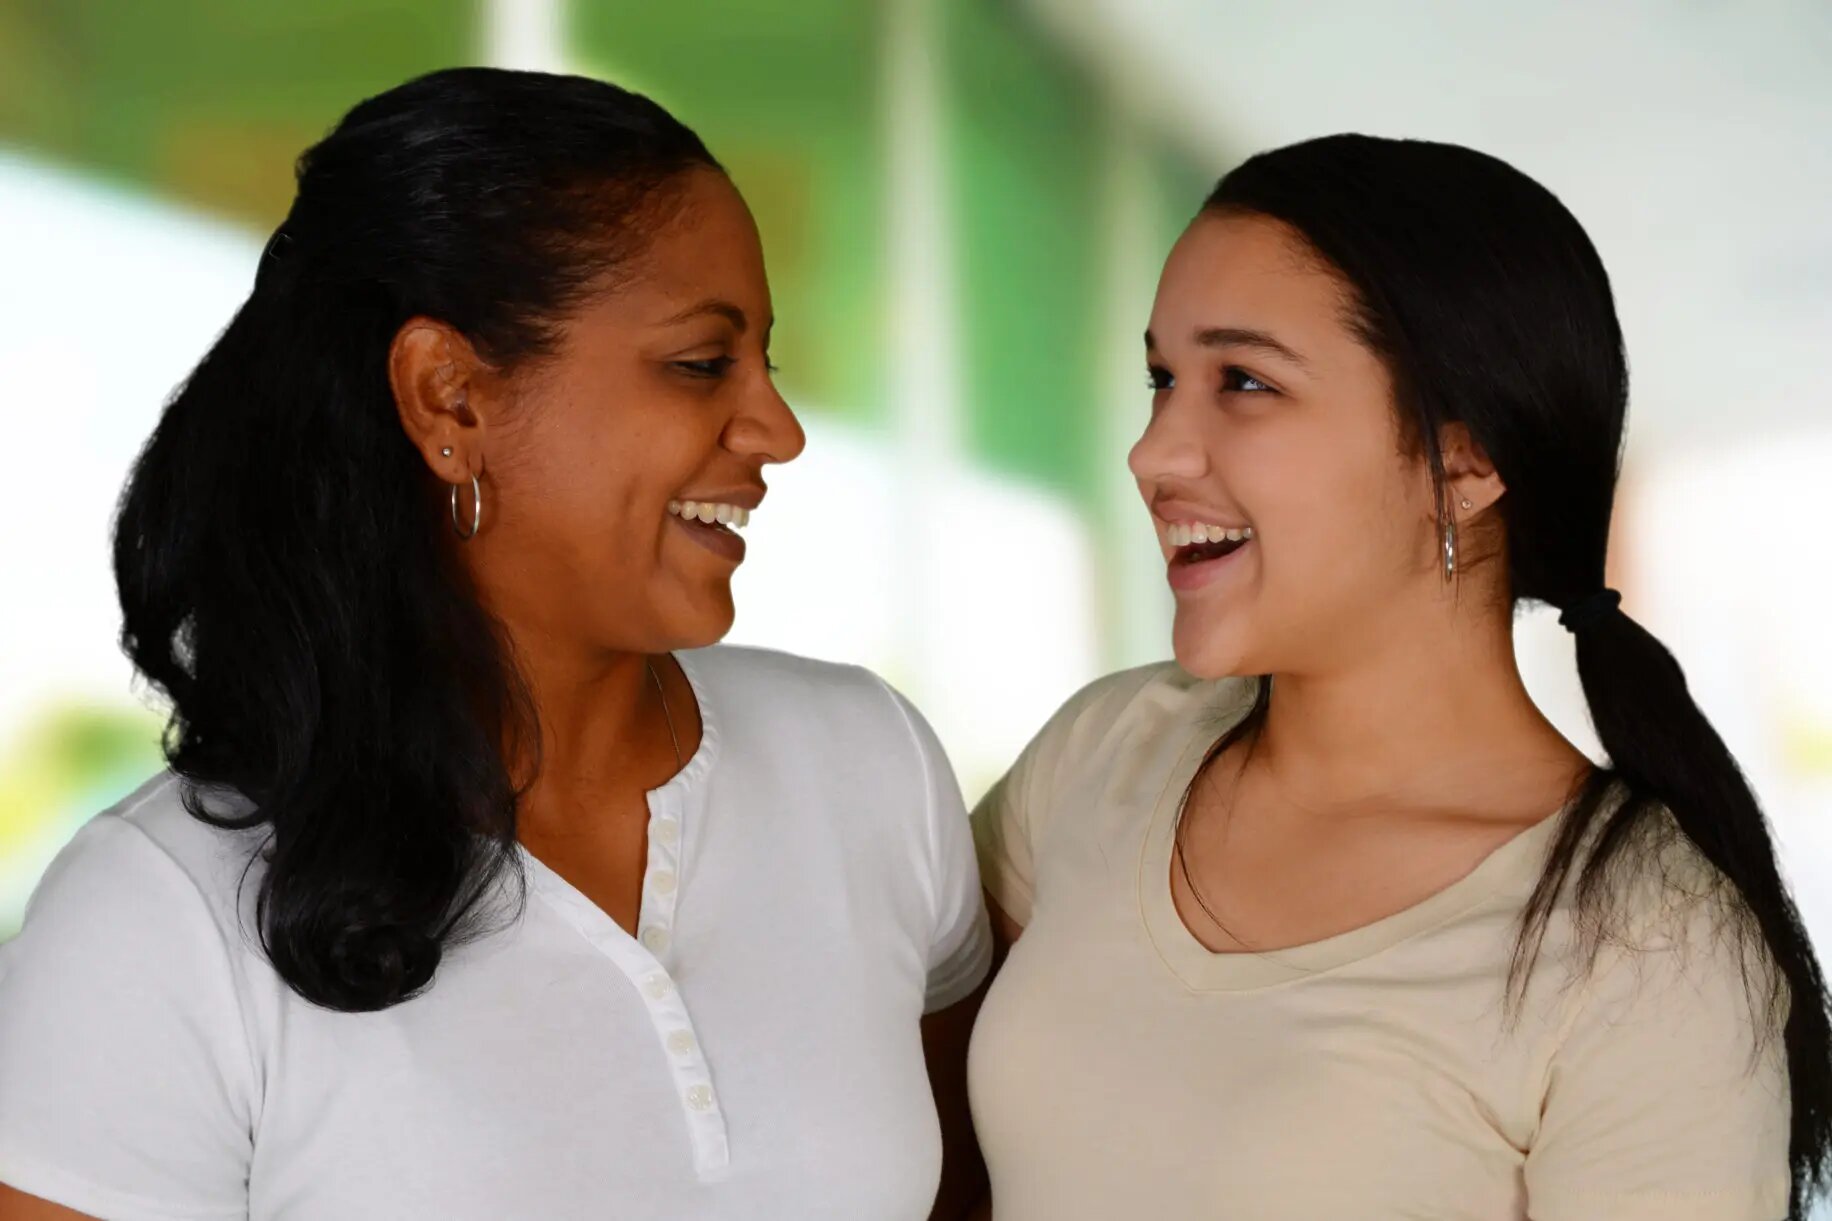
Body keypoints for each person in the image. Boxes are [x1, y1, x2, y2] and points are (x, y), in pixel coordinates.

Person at [0, 68, 989, 1221]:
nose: (777, 428)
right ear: (450, 399)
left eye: (765, 358)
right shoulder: (157, 915)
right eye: (700, 363)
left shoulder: (865, 765)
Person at [967, 134, 1830, 1219]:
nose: (1152, 452)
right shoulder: (1106, 752)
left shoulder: (1644, 947)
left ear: (1463, 463)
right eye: (1161, 378)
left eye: (1242, 381)